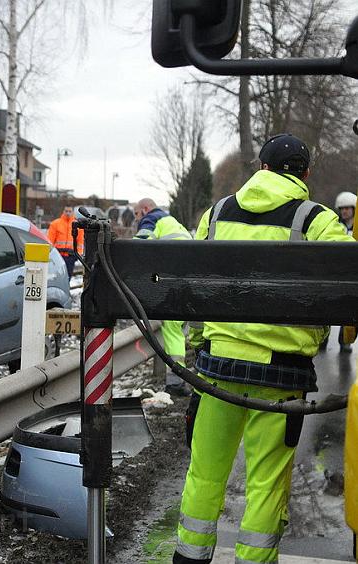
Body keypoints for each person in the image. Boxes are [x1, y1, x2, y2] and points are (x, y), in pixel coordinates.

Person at [174, 133, 353, 564]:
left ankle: (189, 556)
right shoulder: (317, 221)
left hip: (217, 373)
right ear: (306, 174)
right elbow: (352, 280)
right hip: (281, 379)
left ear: (262, 168)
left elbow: (196, 292)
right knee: (267, 482)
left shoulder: (216, 214)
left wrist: (197, 350)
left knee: (204, 473)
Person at [133, 198, 192, 395]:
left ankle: (175, 383)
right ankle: (178, 381)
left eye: (136, 214)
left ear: (145, 209)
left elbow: (137, 248)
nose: (136, 219)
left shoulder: (152, 219)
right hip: (186, 281)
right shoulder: (172, 221)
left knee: (172, 331)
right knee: (176, 330)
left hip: (171, 282)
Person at [333, 191, 357, 352]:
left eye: (348, 208)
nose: (345, 211)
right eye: (342, 209)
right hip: (338, 272)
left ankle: (345, 340)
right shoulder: (336, 227)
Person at [47, 206, 84, 277]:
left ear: (73, 212)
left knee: (68, 276)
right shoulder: (55, 224)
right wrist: (51, 253)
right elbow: (50, 241)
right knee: (57, 276)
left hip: (71, 256)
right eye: (66, 211)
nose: (68, 213)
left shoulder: (77, 225)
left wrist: (77, 255)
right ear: (63, 211)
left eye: (70, 211)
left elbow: (80, 242)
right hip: (58, 255)